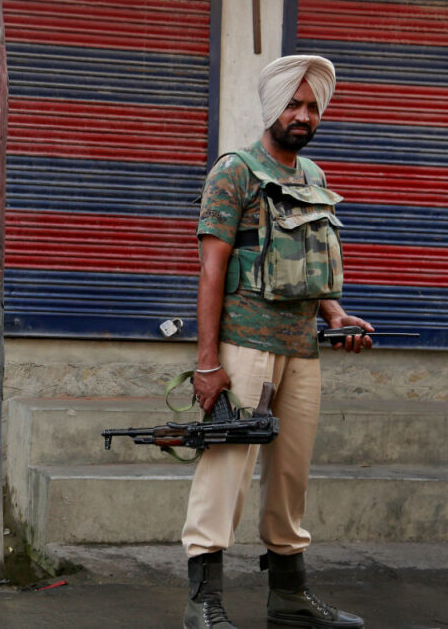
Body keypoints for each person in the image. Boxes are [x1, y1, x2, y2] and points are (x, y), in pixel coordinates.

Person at [184, 55, 372, 629]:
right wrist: (208, 362)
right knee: (225, 471)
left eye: (313, 106)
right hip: (244, 347)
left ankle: (289, 598)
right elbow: (211, 270)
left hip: (301, 348)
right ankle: (204, 605)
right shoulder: (233, 172)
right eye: (293, 104)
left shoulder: (313, 177)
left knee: (291, 475)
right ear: (272, 108)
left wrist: (337, 315)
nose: (304, 115)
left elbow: (311, 268)